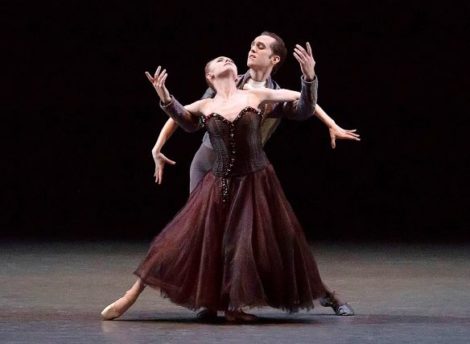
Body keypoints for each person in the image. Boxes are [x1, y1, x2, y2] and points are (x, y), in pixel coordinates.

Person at [101, 53, 354, 323]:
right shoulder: (205, 103)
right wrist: (164, 98)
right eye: (219, 60)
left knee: (260, 241)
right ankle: (136, 295)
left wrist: (310, 77)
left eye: (228, 60)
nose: (227, 59)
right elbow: (183, 120)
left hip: (255, 180)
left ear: (237, 74)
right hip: (216, 178)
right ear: (209, 76)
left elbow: (305, 104)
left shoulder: (258, 95)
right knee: (189, 237)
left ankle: (239, 305)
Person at [151, 32, 360, 192]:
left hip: (246, 168)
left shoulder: (273, 97)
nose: (252, 49)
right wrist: (158, 146)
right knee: (203, 225)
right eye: (252, 45)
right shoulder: (226, 80)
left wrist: (310, 79)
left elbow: (304, 107)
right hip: (209, 160)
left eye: (260, 47)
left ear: (274, 59)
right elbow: (190, 120)